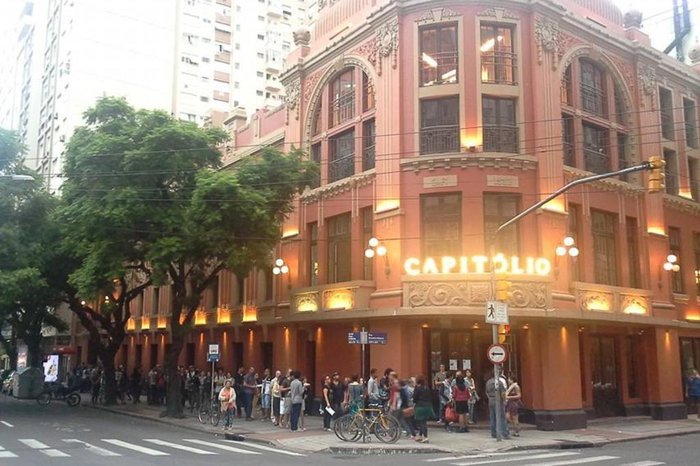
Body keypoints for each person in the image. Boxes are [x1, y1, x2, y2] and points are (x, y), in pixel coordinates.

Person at [485, 370, 510, 440]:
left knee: (492, 417)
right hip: (498, 400)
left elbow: (486, 392)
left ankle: (493, 433)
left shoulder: (488, 382)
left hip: (491, 400)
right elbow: (503, 393)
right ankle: (504, 433)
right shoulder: (499, 382)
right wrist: (504, 400)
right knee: (501, 417)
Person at [412, 375, 434, 443]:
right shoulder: (427, 388)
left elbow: (414, 398)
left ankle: (425, 437)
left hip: (420, 406)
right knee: (424, 421)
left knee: (422, 422)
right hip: (428, 406)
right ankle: (420, 436)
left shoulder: (417, 388)